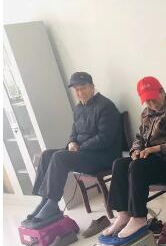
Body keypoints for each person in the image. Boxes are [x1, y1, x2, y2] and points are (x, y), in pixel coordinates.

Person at [103, 76, 166, 245]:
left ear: (162, 91)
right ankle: (124, 214)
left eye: (153, 99)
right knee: (120, 163)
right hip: (153, 160)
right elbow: (139, 138)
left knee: (137, 167)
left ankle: (138, 217)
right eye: (147, 101)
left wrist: (158, 148)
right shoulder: (146, 113)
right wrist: (135, 150)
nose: (151, 104)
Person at [22, 72, 122, 228]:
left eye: (83, 88)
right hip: (84, 153)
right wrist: (71, 142)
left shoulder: (106, 106)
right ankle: (45, 200)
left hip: (103, 156)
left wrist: (80, 147)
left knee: (60, 157)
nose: (80, 93)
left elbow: (105, 138)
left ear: (92, 87)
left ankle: (52, 204)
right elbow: (74, 132)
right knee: (47, 155)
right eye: (77, 90)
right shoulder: (78, 108)